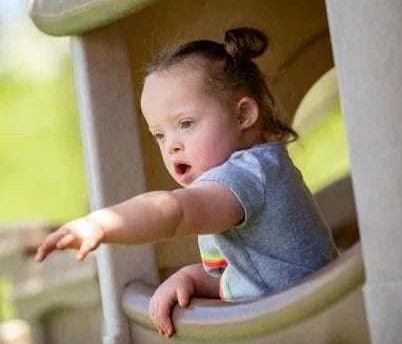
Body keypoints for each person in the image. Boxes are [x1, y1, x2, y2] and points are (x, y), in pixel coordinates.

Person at [35, 27, 338, 338]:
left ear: (244, 115)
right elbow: (260, 276)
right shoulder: (245, 181)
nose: (172, 146)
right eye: (160, 135)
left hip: (313, 323)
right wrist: (194, 277)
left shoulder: (247, 174)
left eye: (186, 124)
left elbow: (174, 212)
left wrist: (101, 225)